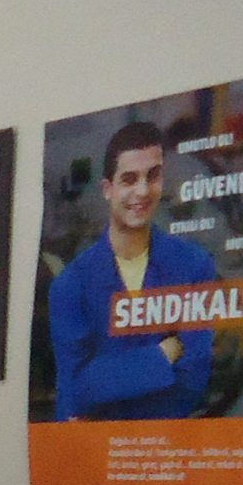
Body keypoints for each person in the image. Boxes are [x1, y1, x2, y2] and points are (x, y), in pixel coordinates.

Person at [48, 120, 218, 420]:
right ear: (108, 189)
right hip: (99, 448)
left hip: (166, 443)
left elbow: (193, 382)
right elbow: (78, 388)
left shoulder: (195, 266)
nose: (142, 190)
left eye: (152, 176)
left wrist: (108, 389)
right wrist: (164, 353)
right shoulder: (71, 284)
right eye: (129, 179)